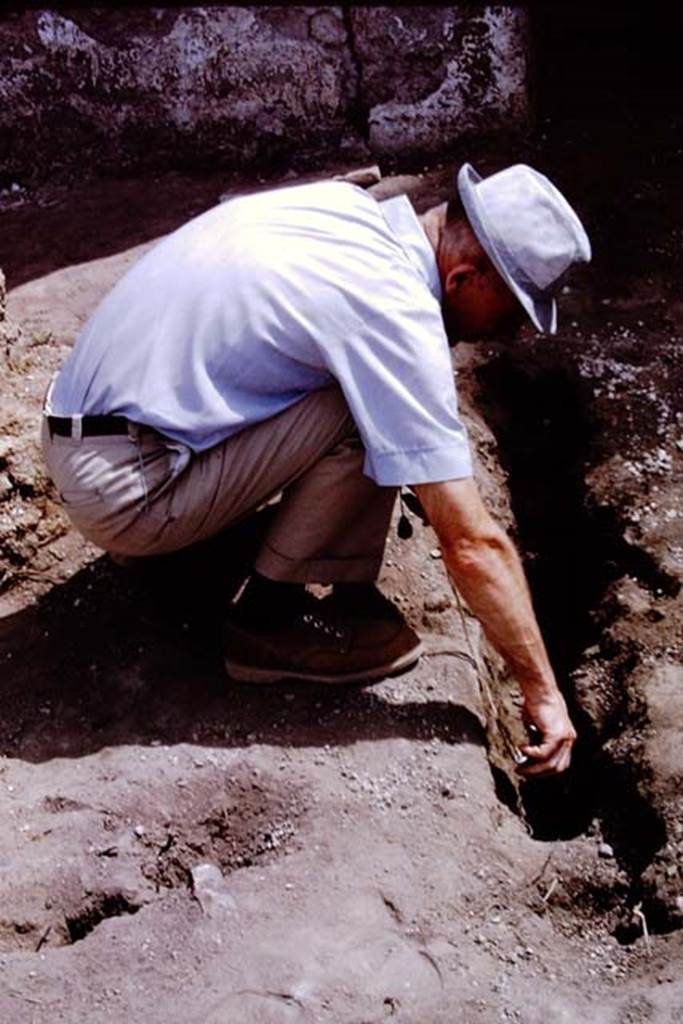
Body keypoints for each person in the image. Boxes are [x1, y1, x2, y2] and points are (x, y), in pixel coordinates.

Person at [41, 161, 591, 776]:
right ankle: (268, 622)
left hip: (83, 428)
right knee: (365, 409)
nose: (511, 332)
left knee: (346, 387)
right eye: (514, 309)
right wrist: (542, 690)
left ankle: (186, 552)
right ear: (465, 276)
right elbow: (470, 542)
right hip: (124, 487)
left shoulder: (347, 209)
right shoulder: (395, 308)